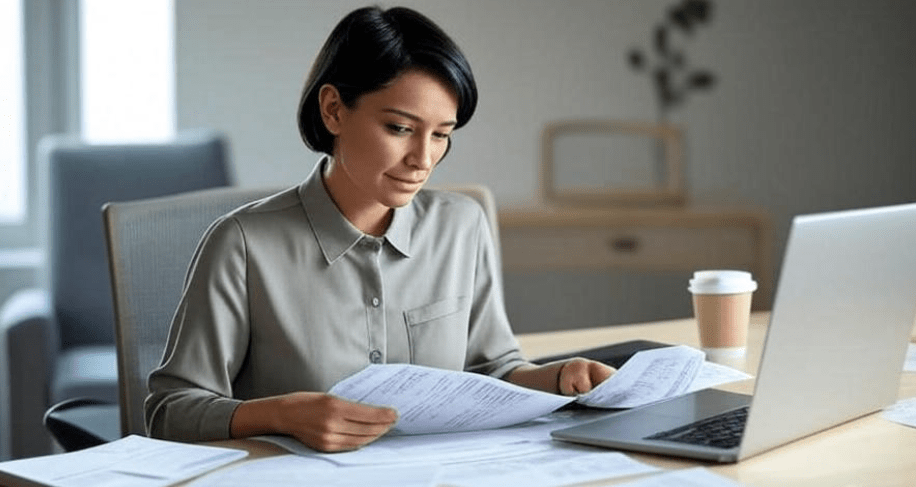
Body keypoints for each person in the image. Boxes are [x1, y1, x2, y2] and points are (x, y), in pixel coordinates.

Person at [146, 5, 614, 453]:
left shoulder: (462, 225)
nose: (423, 159)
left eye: (441, 134)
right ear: (333, 110)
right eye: (399, 128)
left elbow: (492, 369)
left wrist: (560, 377)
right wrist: (282, 414)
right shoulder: (242, 245)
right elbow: (170, 412)